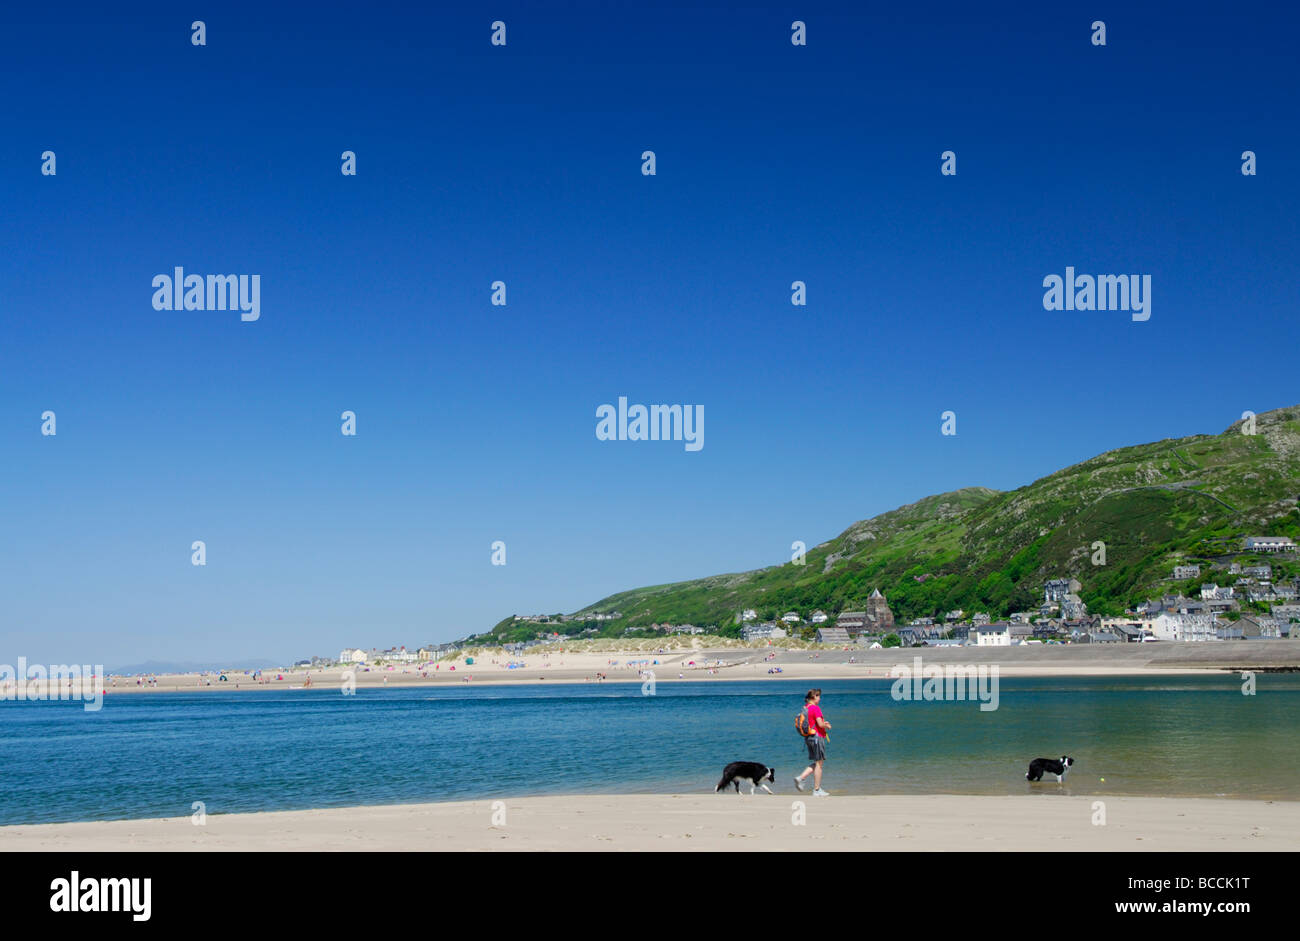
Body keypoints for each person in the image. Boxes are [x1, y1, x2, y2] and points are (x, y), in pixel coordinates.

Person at [794, 688, 831, 796]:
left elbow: (812, 721)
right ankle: (816, 789)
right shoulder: (815, 708)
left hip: (809, 738)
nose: (819, 698)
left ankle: (801, 778)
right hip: (817, 738)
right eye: (818, 696)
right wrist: (827, 725)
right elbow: (820, 724)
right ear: (814, 697)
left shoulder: (806, 708)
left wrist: (823, 723)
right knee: (819, 764)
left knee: (818, 762)